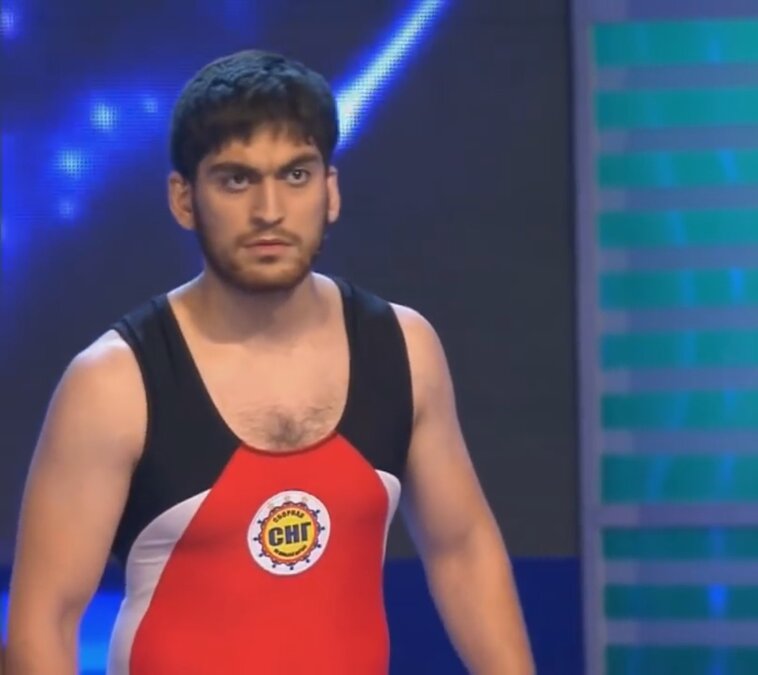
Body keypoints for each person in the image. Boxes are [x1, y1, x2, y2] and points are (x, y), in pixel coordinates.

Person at [3, 50, 534, 675]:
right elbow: (44, 620)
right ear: (183, 199)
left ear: (330, 191)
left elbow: (461, 550)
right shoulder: (114, 384)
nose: (269, 211)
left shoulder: (403, 348)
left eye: (296, 175)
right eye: (237, 180)